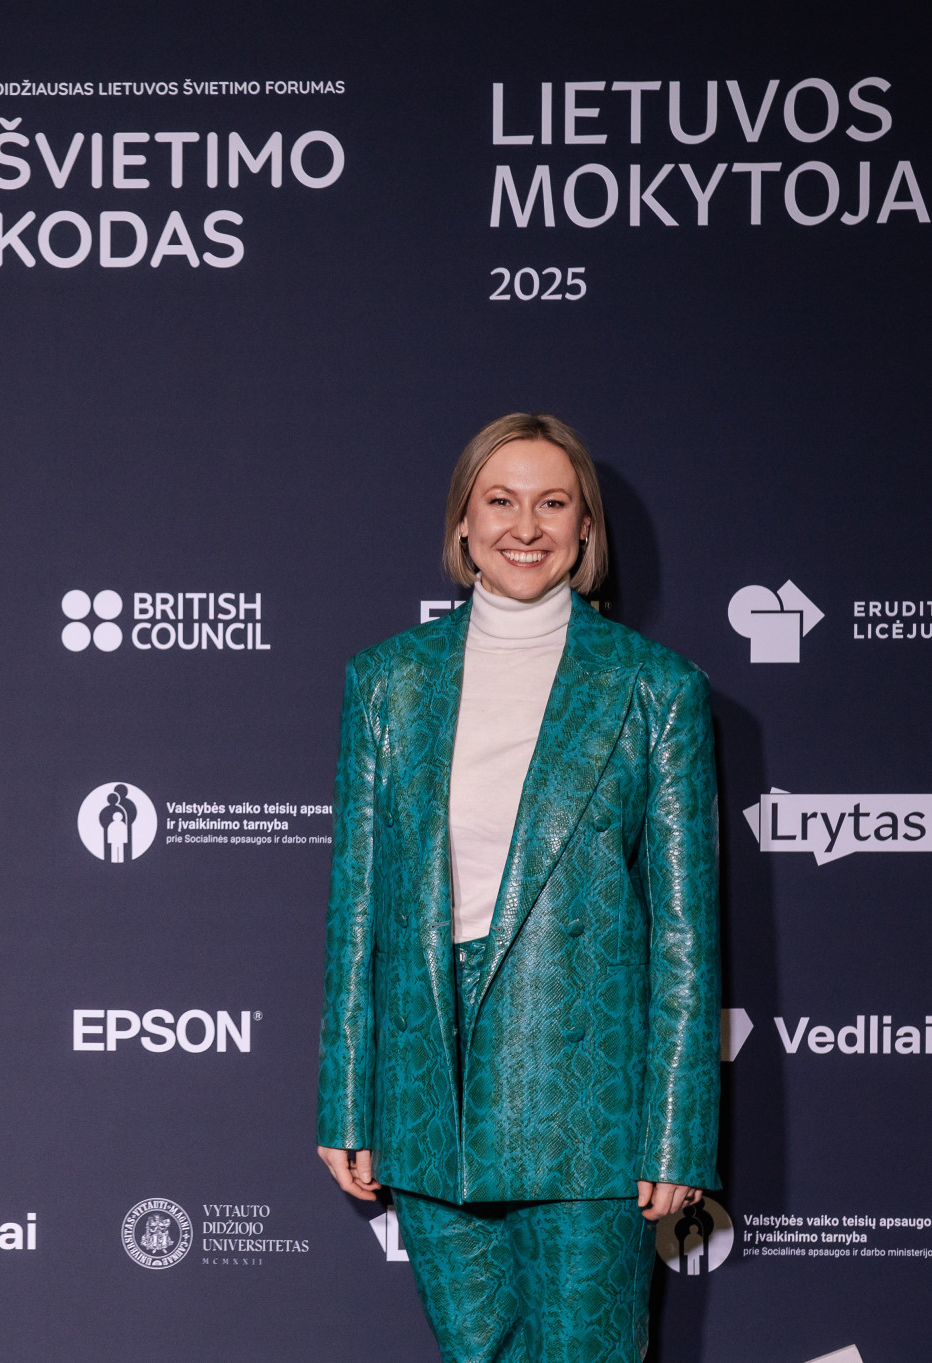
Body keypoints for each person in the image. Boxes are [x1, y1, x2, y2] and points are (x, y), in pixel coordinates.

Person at [315, 413, 720, 1362]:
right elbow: (357, 906)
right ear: (463, 522)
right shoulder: (386, 681)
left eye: (553, 503)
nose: (525, 526)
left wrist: (677, 1133)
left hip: (588, 1100)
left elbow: (685, 936)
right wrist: (346, 1098)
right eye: (500, 500)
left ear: (586, 529)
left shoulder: (654, 688)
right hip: (429, 1084)